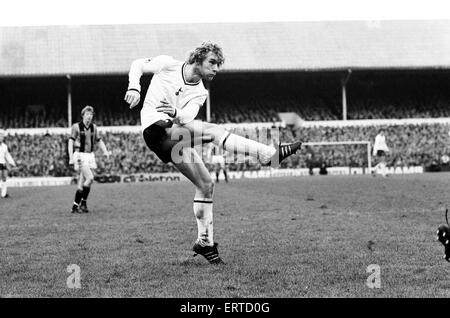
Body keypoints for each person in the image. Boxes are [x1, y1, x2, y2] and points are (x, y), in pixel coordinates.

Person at [124, 41, 302, 265]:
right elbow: (138, 64)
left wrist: (176, 112)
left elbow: (186, 116)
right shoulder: (168, 65)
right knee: (214, 131)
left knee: (206, 184)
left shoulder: (200, 92)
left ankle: (205, 243)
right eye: (212, 62)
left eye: (219, 64)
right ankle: (268, 155)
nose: (216, 68)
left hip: (174, 134)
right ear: (198, 58)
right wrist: (134, 88)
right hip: (155, 129)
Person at [68, 106, 111, 213]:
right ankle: (83, 203)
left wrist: (105, 151)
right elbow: (70, 142)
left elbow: (99, 140)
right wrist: (70, 157)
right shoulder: (76, 127)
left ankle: (75, 207)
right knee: (90, 178)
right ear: (83, 115)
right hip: (80, 155)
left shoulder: (94, 127)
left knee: (82, 182)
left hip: (89, 155)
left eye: (91, 114)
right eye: (87, 114)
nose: (89, 116)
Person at [0, 130, 17, 198]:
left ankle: (3, 194)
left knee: (4, 177)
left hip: (3, 163)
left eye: (2, 137)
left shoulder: (4, 146)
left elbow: (7, 155)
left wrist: (12, 163)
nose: (1, 138)